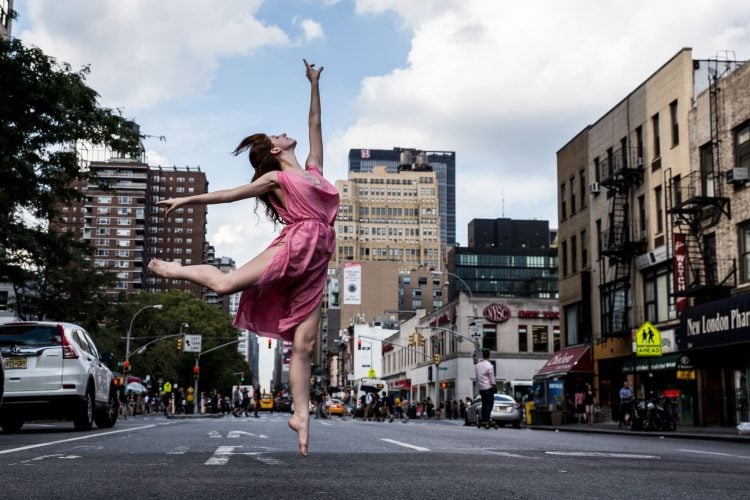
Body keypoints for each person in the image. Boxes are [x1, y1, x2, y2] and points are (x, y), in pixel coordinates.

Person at [148, 60, 336, 457]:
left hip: (318, 262)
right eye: (278, 135)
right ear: (275, 149)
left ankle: (301, 417)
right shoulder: (277, 179)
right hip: (296, 245)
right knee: (224, 283)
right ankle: (178, 269)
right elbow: (229, 194)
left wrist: (314, 84)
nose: (286, 134)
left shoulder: (315, 170)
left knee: (304, 345)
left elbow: (315, 126)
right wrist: (186, 198)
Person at [475, 348, 496, 428]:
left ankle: (484, 419)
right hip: (488, 388)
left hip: (481, 388)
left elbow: (477, 378)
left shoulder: (477, 365)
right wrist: (494, 386)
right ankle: (487, 418)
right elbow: (492, 379)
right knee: (490, 404)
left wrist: (479, 386)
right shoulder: (489, 366)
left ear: (483, 355)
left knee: (484, 404)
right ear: (489, 355)